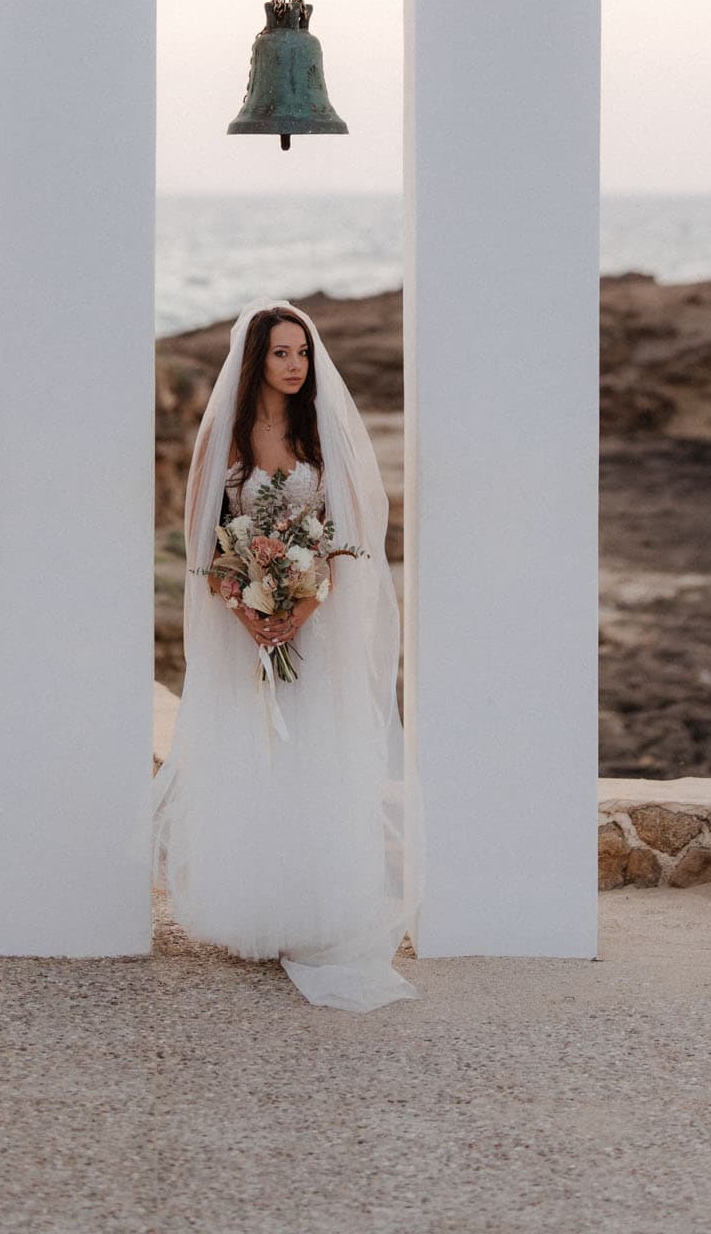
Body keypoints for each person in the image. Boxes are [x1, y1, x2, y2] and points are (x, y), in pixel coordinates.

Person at [151, 299, 422, 1010]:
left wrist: (301, 604)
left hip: (316, 622)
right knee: (251, 751)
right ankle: (255, 907)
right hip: (242, 623)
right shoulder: (226, 439)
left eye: (302, 352)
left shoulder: (321, 433)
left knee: (317, 752)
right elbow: (202, 537)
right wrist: (247, 608)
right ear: (255, 361)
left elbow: (346, 531)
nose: (295, 365)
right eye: (280, 353)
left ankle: (316, 907)